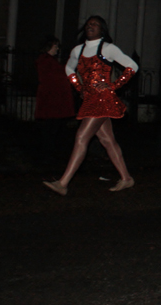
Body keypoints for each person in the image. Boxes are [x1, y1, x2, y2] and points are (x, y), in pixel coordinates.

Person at [43, 16, 138, 195]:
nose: (90, 26)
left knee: (81, 137)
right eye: (88, 24)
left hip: (103, 98)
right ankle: (126, 178)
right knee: (107, 140)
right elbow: (69, 69)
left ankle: (63, 183)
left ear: (102, 29)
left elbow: (132, 66)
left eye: (95, 24)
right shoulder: (78, 50)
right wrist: (79, 87)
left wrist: (113, 85)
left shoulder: (108, 49)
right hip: (89, 99)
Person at [35, 36, 75, 159]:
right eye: (55, 46)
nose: (57, 48)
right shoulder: (46, 61)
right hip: (52, 100)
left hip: (53, 100)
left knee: (53, 129)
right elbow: (55, 78)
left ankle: (49, 153)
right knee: (51, 129)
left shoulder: (49, 61)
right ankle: (48, 155)